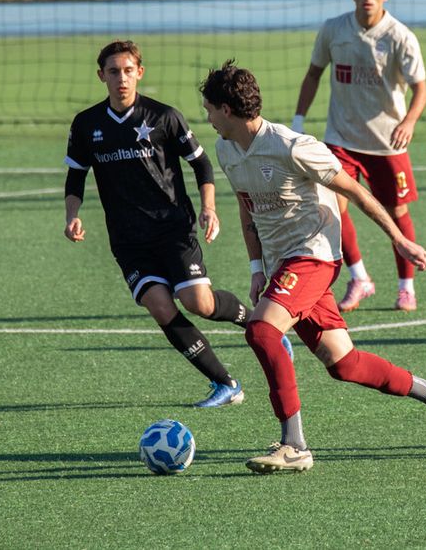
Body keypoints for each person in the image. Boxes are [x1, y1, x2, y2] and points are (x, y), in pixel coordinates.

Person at [201, 60, 426, 473]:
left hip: (314, 255)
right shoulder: (226, 150)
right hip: (283, 265)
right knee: (344, 364)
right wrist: (257, 267)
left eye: (209, 110)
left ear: (226, 109)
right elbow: (246, 206)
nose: (207, 118)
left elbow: (355, 191)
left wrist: (399, 239)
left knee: (262, 331)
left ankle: (294, 445)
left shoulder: (292, 146)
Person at [63, 41, 288, 409]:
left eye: (128, 70)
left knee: (199, 303)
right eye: (114, 71)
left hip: (173, 229)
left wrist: (209, 208)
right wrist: (71, 214)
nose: (122, 78)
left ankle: (257, 323)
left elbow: (201, 164)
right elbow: (76, 175)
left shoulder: (164, 116)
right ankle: (225, 383)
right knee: (160, 306)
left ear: (140, 72)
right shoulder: (87, 124)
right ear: (101, 75)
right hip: (128, 240)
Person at [293, 0, 426, 312]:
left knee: (396, 211)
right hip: (341, 138)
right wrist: (298, 120)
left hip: (387, 142)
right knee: (332, 209)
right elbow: (313, 74)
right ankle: (360, 278)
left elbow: (421, 89)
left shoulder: (400, 36)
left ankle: (406, 287)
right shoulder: (333, 29)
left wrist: (409, 122)